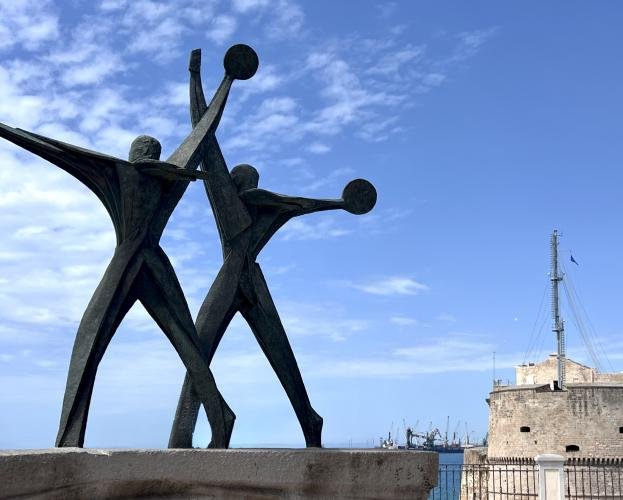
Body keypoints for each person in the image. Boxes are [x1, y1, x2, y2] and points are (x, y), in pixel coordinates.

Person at [0, 44, 259, 448]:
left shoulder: (121, 173)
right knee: (188, 346)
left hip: (128, 264)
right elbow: (204, 129)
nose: (141, 153)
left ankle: (69, 439)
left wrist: (6, 130)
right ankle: (219, 414)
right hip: (156, 265)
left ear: (135, 153)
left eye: (140, 150)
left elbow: (56, 150)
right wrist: (223, 81)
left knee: (89, 343)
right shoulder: (171, 176)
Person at [168, 49, 376, 448]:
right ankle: (308, 420)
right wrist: (344, 203)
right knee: (282, 357)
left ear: (234, 180)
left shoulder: (228, 199)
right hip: (255, 280)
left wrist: (203, 77)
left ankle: (184, 432)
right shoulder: (275, 206)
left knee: (198, 351)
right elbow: (312, 204)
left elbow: (203, 134)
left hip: (231, 276)